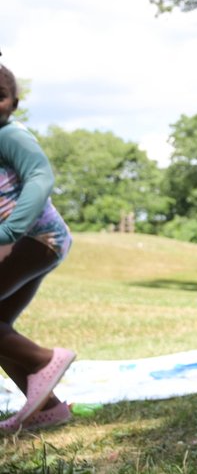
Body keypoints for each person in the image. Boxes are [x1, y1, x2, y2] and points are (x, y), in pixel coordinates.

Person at [0, 60, 76, 433]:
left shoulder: (10, 135)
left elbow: (40, 178)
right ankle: (49, 410)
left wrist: (8, 234)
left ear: (14, 103)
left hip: (35, 239)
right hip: (32, 241)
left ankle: (45, 360)